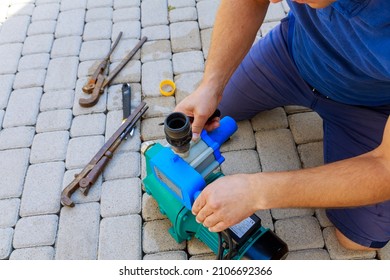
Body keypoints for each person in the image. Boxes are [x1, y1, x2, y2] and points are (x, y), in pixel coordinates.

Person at [175, 0, 390, 251]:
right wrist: (211, 84)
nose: (276, 1)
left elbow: (385, 168)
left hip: (373, 104)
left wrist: (256, 191)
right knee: (221, 107)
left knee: (358, 238)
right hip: (293, 55)